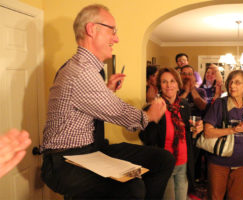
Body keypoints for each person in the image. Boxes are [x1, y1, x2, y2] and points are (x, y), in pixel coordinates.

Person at [40, 4, 175, 199]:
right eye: (113, 30)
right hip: (64, 160)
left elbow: (87, 105)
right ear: (91, 29)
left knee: (163, 160)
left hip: (92, 149)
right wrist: (148, 115)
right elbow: (117, 110)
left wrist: (107, 90)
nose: (117, 38)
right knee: (132, 187)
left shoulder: (85, 70)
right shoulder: (81, 71)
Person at [139, 67, 203, 200]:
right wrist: (152, 119)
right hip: (164, 163)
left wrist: (197, 130)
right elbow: (144, 138)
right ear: (159, 86)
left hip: (183, 162)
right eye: (164, 81)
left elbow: (188, 134)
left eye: (172, 81)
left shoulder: (184, 106)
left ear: (178, 85)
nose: (169, 85)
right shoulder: (153, 107)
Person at [203, 70, 243, 200]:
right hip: (219, 161)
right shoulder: (219, 103)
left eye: (237, 82)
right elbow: (207, 132)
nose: (232, 86)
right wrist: (233, 130)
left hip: (242, 162)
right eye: (230, 82)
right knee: (215, 197)